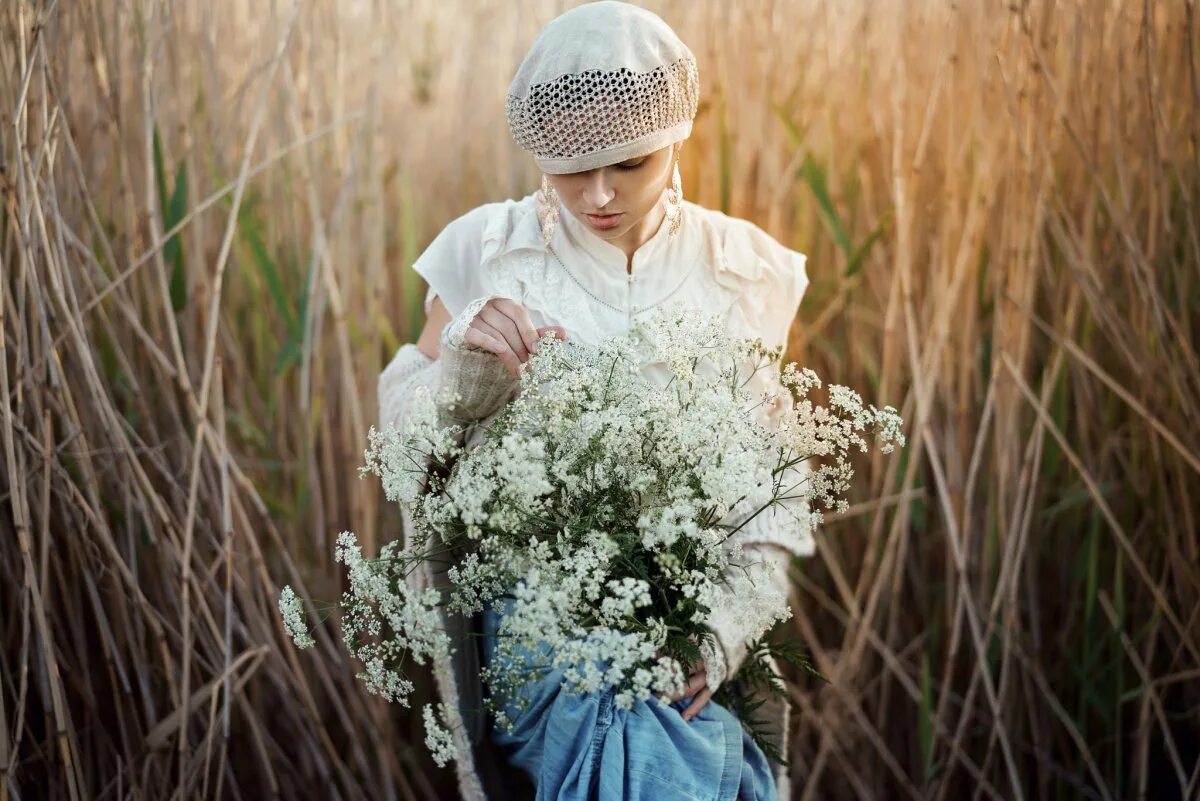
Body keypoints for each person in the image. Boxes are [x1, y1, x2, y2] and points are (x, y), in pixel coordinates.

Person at [377, 3, 812, 799]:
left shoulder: (741, 270)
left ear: (677, 131)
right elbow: (399, 442)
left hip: (687, 631)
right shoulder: (489, 251)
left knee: (688, 746)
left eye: (631, 163)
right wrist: (463, 380)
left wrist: (719, 635)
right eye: (571, 167)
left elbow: (772, 494)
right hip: (541, 639)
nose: (600, 194)